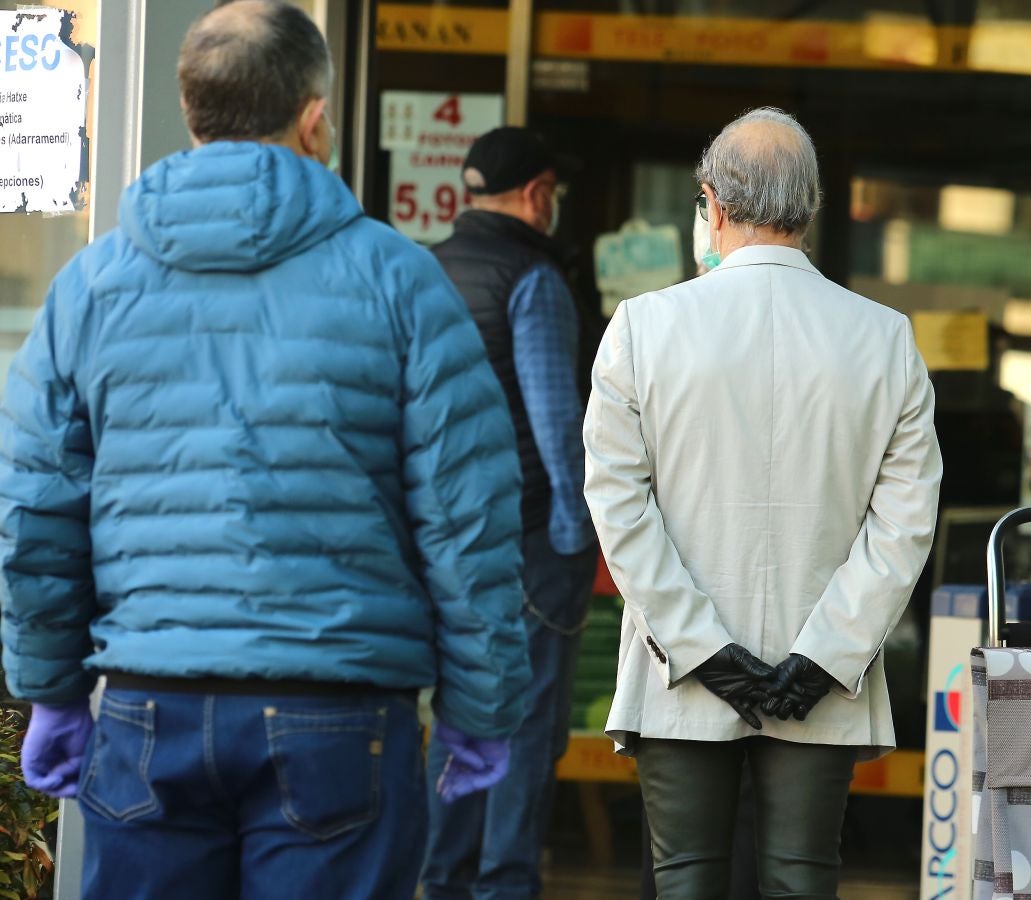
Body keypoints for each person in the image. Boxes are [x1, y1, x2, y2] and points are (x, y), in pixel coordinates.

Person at [0, 3, 530, 898]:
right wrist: (483, 708)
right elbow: (467, 512)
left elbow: (35, 507)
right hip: (338, 712)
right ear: (314, 117)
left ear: (192, 106)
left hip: (146, 705)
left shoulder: (90, 284)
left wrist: (49, 690)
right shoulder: (400, 280)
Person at [584, 107, 943, 899]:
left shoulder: (642, 328)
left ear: (709, 203)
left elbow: (617, 502)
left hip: (679, 673)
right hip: (822, 676)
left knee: (685, 881)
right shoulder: (885, 338)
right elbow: (906, 521)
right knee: (802, 879)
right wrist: (826, 655)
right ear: (811, 208)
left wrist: (701, 647)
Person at [421, 127, 598, 900]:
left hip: (445, 536)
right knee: (524, 724)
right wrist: (575, 538)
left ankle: (443, 879)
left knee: (460, 711)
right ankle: (503, 885)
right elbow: (559, 424)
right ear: (537, 194)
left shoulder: (425, 272)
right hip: (526, 538)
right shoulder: (535, 280)